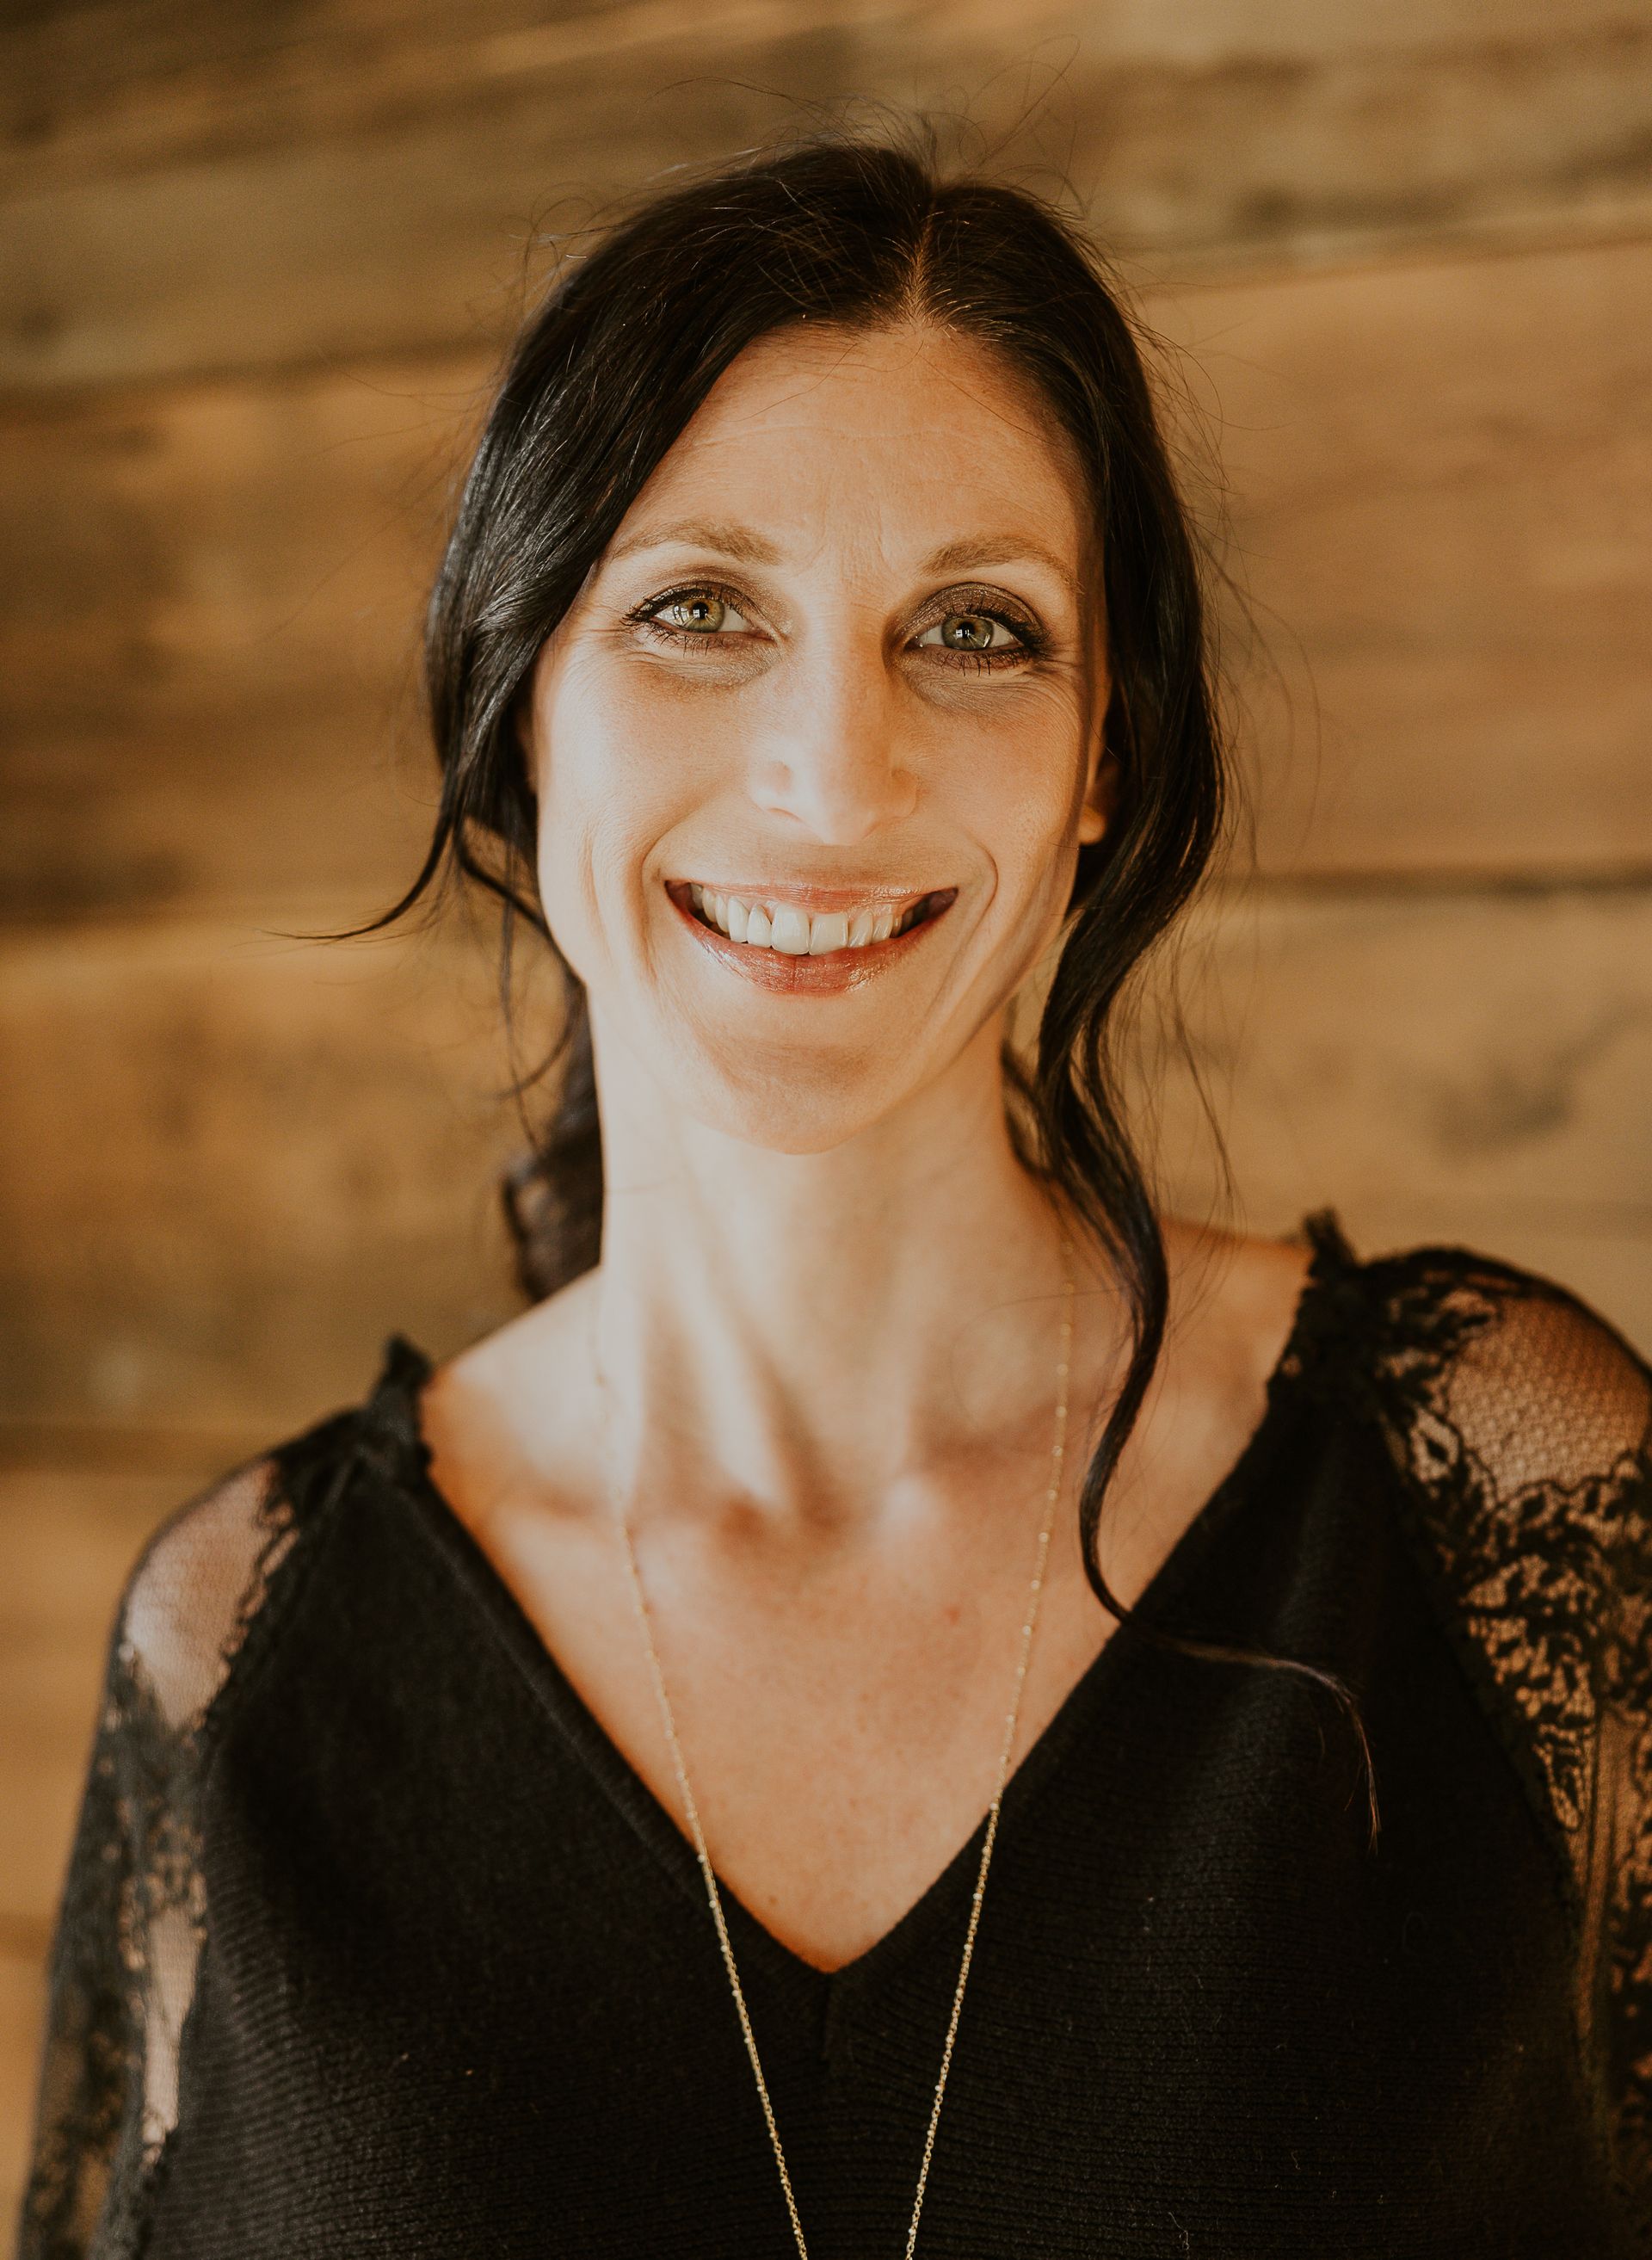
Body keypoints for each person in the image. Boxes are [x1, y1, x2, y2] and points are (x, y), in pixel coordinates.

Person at [16, 128, 1652, 2259]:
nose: (832, 768)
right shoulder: (244, 1644)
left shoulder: (1490, 1495)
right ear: (528, 719)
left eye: (972, 630)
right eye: (701, 608)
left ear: (1105, 767)